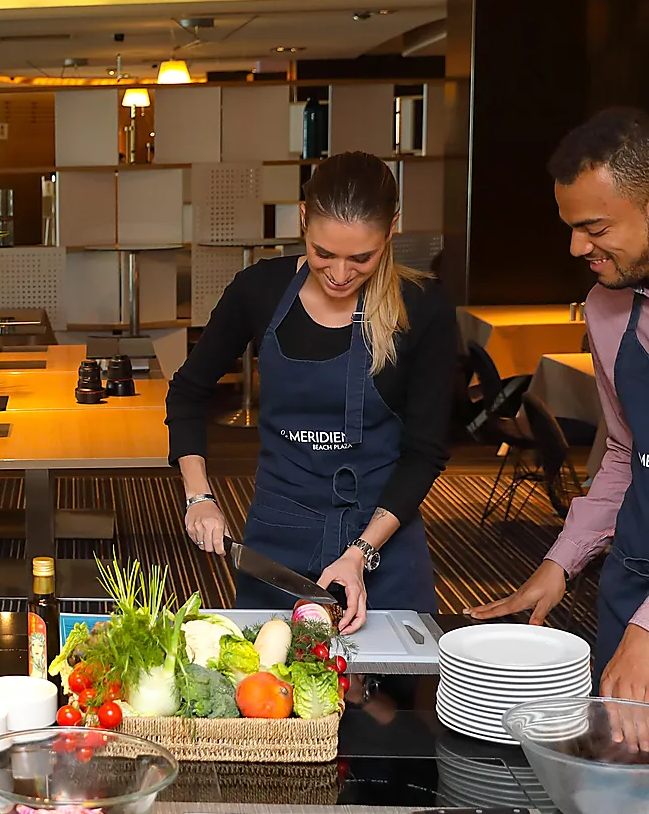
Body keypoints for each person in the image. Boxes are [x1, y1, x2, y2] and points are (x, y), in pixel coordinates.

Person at [166, 151, 457, 632]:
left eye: (361, 257)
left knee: (396, 698)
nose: (340, 274)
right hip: (279, 535)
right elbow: (187, 392)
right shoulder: (258, 290)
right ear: (303, 219)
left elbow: (425, 453)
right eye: (324, 254)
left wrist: (361, 552)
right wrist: (199, 496)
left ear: (391, 232)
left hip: (383, 537)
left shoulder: (422, 307)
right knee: (267, 692)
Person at [472, 107, 649, 702]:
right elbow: (627, 454)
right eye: (570, 227)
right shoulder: (606, 309)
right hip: (631, 574)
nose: (576, 247)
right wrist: (561, 563)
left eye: (595, 228)